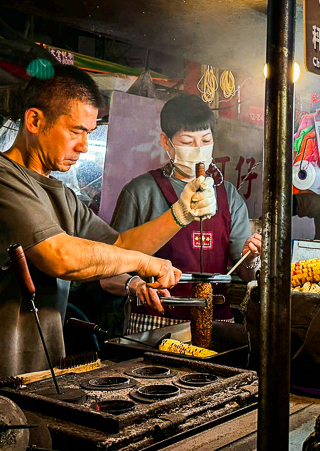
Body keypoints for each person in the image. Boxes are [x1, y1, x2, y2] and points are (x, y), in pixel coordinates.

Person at [0, 65, 214, 394]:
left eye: (88, 133)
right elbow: (59, 256)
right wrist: (143, 264)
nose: (83, 146)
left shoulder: (61, 195)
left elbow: (122, 244)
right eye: (76, 131)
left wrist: (180, 213)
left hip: (32, 378)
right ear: (35, 121)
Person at [104, 95, 261, 330]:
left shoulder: (228, 195)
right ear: (166, 142)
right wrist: (135, 285)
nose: (198, 150)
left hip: (216, 322)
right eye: (187, 142)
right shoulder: (140, 192)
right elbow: (107, 271)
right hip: (154, 322)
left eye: (206, 140)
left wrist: (251, 257)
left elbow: (247, 273)